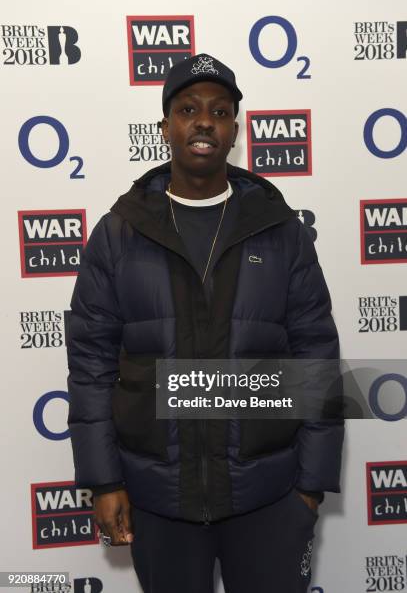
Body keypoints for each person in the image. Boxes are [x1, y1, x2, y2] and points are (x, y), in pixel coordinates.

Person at [67, 53, 344, 593]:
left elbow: (315, 356)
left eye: (219, 112)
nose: (203, 121)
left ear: (233, 131)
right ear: (165, 126)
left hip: (266, 496)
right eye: (188, 109)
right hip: (159, 499)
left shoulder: (279, 231)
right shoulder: (118, 234)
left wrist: (309, 487)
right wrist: (104, 480)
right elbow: (91, 365)